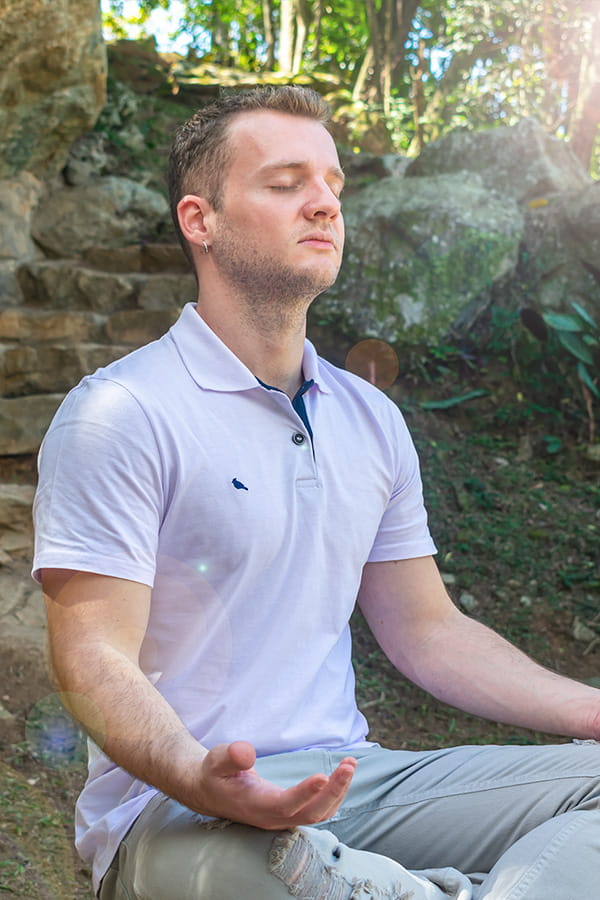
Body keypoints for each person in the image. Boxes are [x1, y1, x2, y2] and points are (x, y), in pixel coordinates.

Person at [33, 85, 600, 900]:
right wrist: (196, 774)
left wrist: (590, 712)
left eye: (333, 184)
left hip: (352, 783)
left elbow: (429, 631)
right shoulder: (121, 413)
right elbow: (92, 655)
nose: (325, 203)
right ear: (200, 220)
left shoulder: (371, 419)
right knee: (279, 870)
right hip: (178, 811)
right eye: (285, 182)